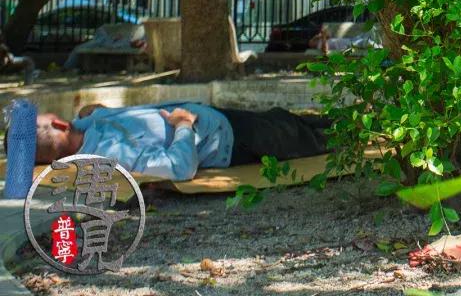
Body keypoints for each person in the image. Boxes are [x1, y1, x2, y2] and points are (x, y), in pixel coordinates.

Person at [30, 102, 332, 181]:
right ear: (58, 123)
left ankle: (358, 120)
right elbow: (180, 167)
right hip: (229, 140)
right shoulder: (109, 153)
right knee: (309, 139)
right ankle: (365, 131)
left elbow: (90, 115)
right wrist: (184, 126)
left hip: (216, 119)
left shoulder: (84, 127)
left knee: (289, 120)